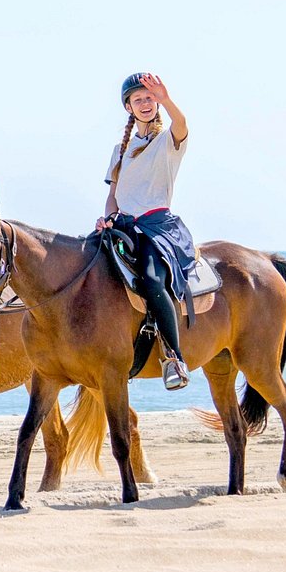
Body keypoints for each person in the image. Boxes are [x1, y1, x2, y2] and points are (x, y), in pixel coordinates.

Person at [95, 73, 196, 391]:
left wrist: (166, 98)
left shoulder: (167, 140)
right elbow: (114, 193)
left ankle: (174, 359)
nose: (145, 103)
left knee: (152, 281)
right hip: (123, 226)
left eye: (149, 98)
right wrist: (108, 217)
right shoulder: (119, 149)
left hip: (156, 226)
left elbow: (182, 124)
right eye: (138, 99)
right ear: (129, 107)